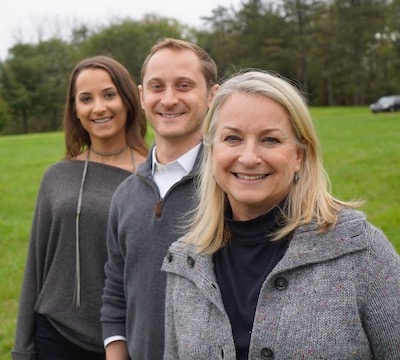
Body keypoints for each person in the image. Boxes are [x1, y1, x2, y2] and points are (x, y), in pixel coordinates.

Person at [162, 70, 400, 359]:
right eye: (232, 138)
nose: (249, 157)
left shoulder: (360, 251)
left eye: (270, 140)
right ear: (212, 152)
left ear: (299, 155)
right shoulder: (186, 263)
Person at [12, 55, 148, 360]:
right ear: (75, 110)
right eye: (86, 99)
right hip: (55, 336)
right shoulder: (57, 177)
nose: (98, 107)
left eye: (109, 95)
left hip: (127, 341)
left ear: (128, 99)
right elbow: (35, 267)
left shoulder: (154, 178)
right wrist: (22, 348)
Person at [100, 38, 219, 359]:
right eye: (157, 87)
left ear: (212, 95)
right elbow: (115, 290)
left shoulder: (231, 186)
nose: (168, 99)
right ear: (141, 96)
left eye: (184, 86)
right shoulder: (125, 195)